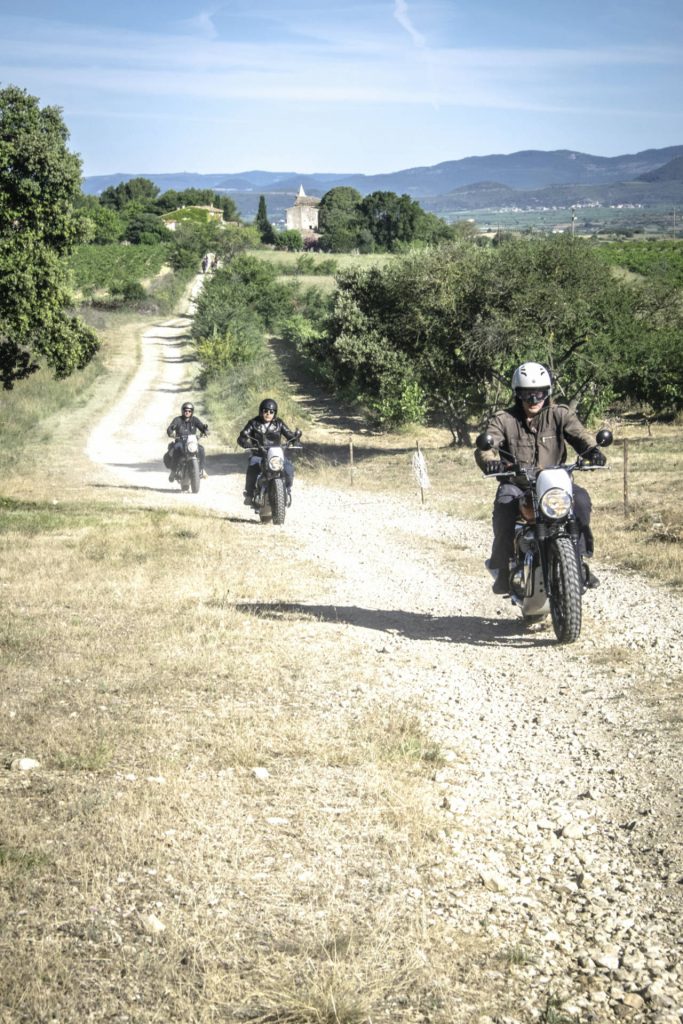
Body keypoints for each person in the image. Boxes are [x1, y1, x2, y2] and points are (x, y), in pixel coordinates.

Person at [475, 362, 606, 594]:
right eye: (528, 394)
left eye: (540, 393)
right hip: (517, 484)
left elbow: (581, 435)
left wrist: (594, 451)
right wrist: (490, 461)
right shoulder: (504, 419)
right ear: (518, 394)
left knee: (582, 502)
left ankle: (578, 561)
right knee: (504, 508)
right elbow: (487, 445)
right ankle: (503, 570)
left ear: (548, 393)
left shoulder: (560, 414)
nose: (534, 399)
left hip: (555, 483)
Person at [237, 398, 300, 504]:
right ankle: (249, 494)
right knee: (252, 467)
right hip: (259, 454)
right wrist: (246, 443)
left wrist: (295, 440)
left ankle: (288, 491)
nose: (268, 414)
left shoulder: (279, 423)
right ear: (261, 411)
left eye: (271, 412)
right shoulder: (253, 423)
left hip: (275, 455)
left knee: (288, 468)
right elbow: (241, 438)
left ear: (274, 413)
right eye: (265, 411)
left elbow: (290, 435)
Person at [166, 402, 209, 481]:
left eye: (189, 411)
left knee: (201, 449)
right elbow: (170, 428)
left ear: (192, 412)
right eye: (185, 410)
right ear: (182, 411)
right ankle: (173, 470)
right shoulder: (177, 420)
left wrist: (205, 431)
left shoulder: (195, 420)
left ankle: (202, 470)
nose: (187, 412)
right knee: (176, 448)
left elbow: (202, 427)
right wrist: (170, 432)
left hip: (192, 442)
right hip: (180, 441)